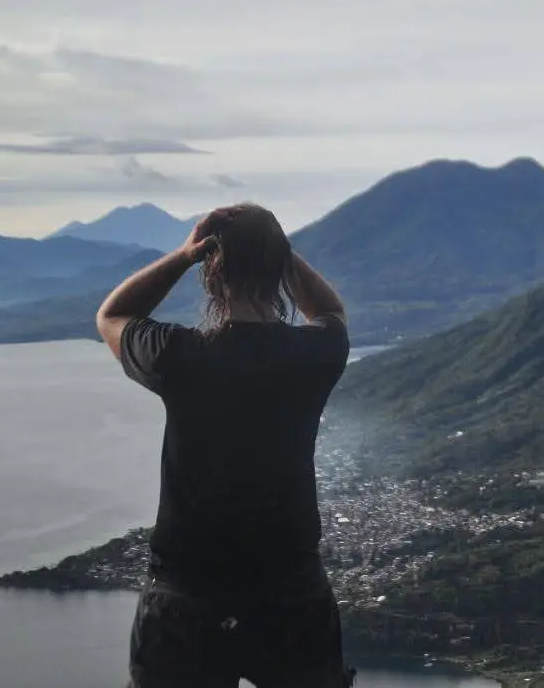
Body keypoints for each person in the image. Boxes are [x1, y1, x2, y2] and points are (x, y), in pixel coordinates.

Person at [95, 203, 356, 688]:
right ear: (278, 271)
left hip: (184, 595)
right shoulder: (312, 354)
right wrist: (281, 254)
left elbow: (113, 315)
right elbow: (330, 311)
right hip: (291, 589)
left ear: (212, 272)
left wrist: (184, 255)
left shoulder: (177, 354)